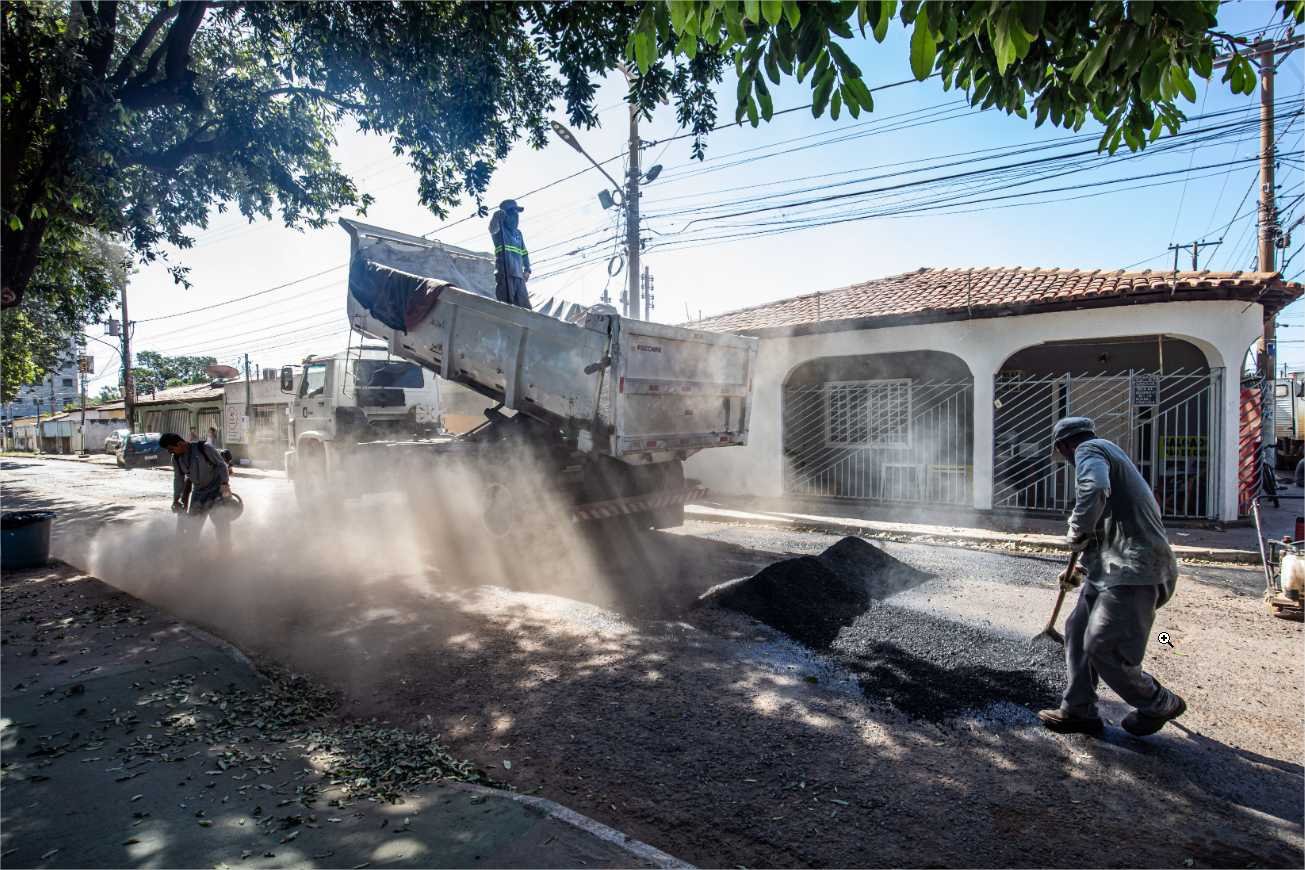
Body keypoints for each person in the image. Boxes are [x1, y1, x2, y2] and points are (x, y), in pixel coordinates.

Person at [1037, 416, 1186, 737]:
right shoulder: (1111, 457)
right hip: (1111, 570)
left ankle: (1158, 701)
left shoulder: (1090, 451)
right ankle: (1079, 710)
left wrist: (1076, 529)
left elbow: (1094, 490)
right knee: (1077, 629)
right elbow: (1108, 526)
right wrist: (1079, 570)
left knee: (1101, 646)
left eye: (1063, 456)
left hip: (1136, 571)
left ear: (1064, 447)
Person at [161, 432, 233, 550]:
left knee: (221, 523)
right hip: (198, 493)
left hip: (217, 490)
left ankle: (225, 552)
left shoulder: (204, 448)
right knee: (193, 527)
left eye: (171, 449)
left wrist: (225, 484)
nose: (170, 452)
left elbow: (221, 465)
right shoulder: (176, 459)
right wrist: (176, 499)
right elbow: (178, 479)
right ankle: (191, 556)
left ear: (180, 444)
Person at [489, 199, 532, 309]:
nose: (516, 216)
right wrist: (495, 218)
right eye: (513, 213)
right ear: (505, 214)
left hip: (519, 277)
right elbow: (492, 229)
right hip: (505, 274)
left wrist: (527, 269)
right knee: (507, 307)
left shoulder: (518, 233)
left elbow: (524, 252)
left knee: (525, 308)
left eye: (517, 214)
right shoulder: (500, 228)